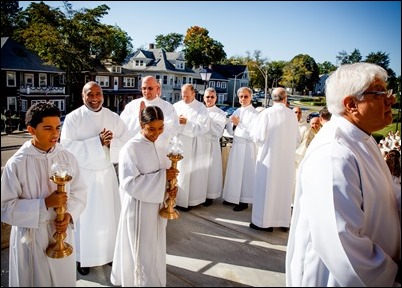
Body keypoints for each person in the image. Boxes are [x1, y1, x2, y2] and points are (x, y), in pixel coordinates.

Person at [286, 62, 401, 286]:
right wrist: (391, 272)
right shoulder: (334, 153)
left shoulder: (362, 138)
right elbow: (341, 242)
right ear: (351, 104)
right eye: (379, 93)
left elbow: (386, 192)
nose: (391, 100)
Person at [1, 102, 87, 286]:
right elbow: (6, 207)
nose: (55, 133)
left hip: (61, 230)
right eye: (47, 128)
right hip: (33, 235)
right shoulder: (17, 163)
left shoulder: (67, 157)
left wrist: (69, 214)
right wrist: (45, 203)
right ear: (31, 129)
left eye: (57, 127)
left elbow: (80, 191)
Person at [60, 81, 129, 275]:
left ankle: (108, 255)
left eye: (98, 94)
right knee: (86, 220)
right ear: (83, 96)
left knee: (108, 217)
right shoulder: (74, 118)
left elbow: (126, 141)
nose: (95, 98)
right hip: (84, 177)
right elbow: (66, 147)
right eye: (90, 94)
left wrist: (110, 143)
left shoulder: (112, 117)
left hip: (106, 175)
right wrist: (97, 142)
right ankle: (84, 258)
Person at [111, 106, 178, 287]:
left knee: (155, 250)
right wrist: (163, 177)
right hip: (139, 209)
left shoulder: (162, 144)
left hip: (157, 206)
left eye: (160, 128)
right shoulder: (130, 148)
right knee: (143, 252)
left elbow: (168, 173)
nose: (156, 134)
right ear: (142, 124)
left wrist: (171, 189)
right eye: (151, 129)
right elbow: (130, 183)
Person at [249, 87, 299, 231]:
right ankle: (282, 221)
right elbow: (297, 139)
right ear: (285, 98)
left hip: (269, 158)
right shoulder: (292, 115)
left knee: (266, 188)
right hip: (286, 160)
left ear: (272, 98)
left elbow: (258, 137)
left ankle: (263, 222)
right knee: (282, 189)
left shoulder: (266, 114)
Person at [173, 83, 210, 211]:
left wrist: (187, 123)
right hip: (178, 143)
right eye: (183, 96)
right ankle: (175, 199)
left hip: (193, 145)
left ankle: (190, 201)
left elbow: (204, 127)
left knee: (191, 173)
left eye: (188, 96)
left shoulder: (201, 108)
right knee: (178, 172)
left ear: (194, 94)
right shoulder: (176, 106)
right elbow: (170, 123)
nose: (185, 98)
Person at [222, 87, 258, 211]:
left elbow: (254, 133)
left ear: (251, 97)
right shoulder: (237, 110)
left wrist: (239, 124)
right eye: (241, 96)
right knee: (234, 172)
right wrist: (232, 124)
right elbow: (230, 129)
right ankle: (232, 197)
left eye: (246, 96)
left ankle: (244, 200)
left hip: (247, 147)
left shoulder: (255, 114)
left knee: (244, 174)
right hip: (237, 144)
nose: (243, 99)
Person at [120, 75, 179, 150]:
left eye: (150, 88)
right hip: (137, 148)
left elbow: (174, 128)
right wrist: (139, 118)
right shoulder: (132, 105)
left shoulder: (167, 107)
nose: (146, 91)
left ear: (157, 89)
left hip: (159, 148)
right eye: (144, 88)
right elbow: (122, 125)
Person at [202, 87, 228, 206]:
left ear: (216, 98)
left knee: (211, 170)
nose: (210, 99)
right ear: (204, 98)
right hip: (200, 144)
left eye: (212, 97)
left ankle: (210, 195)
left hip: (212, 144)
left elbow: (218, 131)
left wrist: (207, 121)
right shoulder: (199, 110)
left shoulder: (221, 113)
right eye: (207, 97)